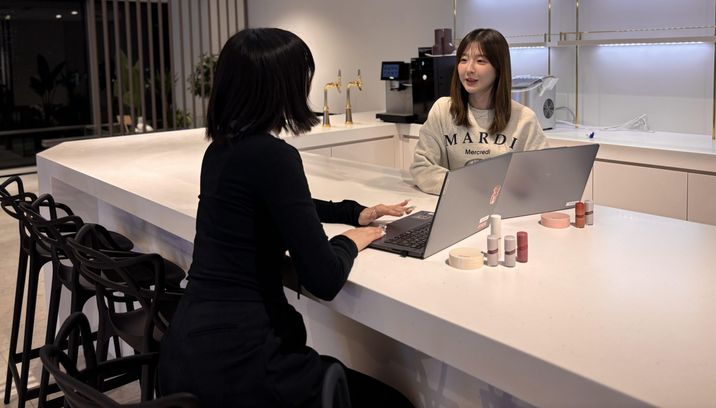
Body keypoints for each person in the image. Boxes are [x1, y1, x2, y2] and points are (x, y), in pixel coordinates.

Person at [158, 28, 413, 408]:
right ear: (282, 87)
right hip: (244, 364)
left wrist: (354, 213)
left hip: (188, 352)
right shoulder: (274, 156)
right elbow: (323, 278)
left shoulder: (222, 150)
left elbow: (281, 204)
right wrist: (350, 241)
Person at [410, 28, 547, 194]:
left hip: (504, 208)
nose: (469, 69)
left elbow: (541, 176)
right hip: (455, 204)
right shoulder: (443, 110)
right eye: (463, 59)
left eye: (480, 61)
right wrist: (469, 186)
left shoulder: (524, 119)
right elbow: (421, 167)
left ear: (499, 67)